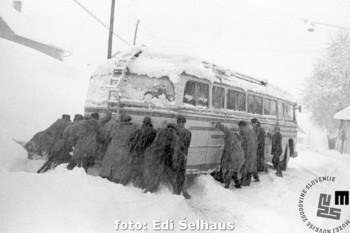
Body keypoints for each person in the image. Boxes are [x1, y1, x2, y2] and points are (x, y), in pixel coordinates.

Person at [141, 123, 181, 193]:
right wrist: (175, 163)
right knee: (173, 179)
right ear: (174, 129)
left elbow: (154, 144)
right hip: (167, 159)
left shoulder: (160, 133)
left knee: (155, 175)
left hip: (156, 157)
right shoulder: (175, 137)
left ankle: (149, 190)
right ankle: (176, 195)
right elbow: (175, 152)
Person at [99, 113, 137, 184]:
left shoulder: (115, 126)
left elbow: (109, 135)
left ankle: (107, 175)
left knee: (109, 161)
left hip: (113, 146)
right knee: (121, 164)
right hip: (123, 147)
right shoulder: (131, 128)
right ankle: (119, 178)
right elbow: (132, 137)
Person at [128, 116, 157, 187]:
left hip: (137, 152)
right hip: (147, 153)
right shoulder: (153, 131)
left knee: (136, 167)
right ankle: (144, 183)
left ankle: (135, 181)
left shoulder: (139, 130)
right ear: (150, 123)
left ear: (143, 122)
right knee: (145, 168)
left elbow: (131, 138)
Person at [215, 122, 245, 189]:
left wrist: (218, 125)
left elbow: (227, 154)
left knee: (230, 172)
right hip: (240, 157)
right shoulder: (235, 139)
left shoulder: (230, 137)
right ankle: (238, 184)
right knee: (234, 171)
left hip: (235, 157)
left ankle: (226, 186)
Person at [173, 115, 192, 199]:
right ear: (184, 123)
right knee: (183, 173)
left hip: (174, 155)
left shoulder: (173, 131)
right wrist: (184, 155)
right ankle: (184, 192)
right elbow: (187, 146)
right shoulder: (188, 133)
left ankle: (175, 191)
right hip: (183, 155)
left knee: (174, 172)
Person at [238, 120, 258, 186]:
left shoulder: (242, 131)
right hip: (253, 151)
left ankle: (243, 182)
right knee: (250, 167)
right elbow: (256, 141)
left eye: (239, 127)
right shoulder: (252, 131)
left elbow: (240, 142)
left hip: (246, 151)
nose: (239, 128)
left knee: (244, 166)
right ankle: (247, 182)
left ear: (241, 126)